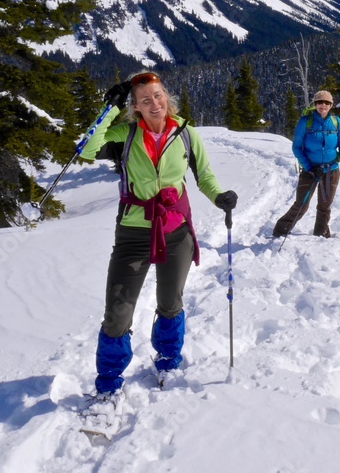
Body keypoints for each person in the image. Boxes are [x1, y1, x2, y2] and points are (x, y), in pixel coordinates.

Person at [79, 71, 237, 404]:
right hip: (134, 232)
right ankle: (108, 383)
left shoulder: (185, 134)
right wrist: (110, 107)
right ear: (135, 107)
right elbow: (88, 149)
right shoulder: (124, 134)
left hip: (176, 230)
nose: (155, 103)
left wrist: (219, 196)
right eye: (146, 99)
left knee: (170, 301)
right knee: (118, 311)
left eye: (159, 95)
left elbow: (204, 175)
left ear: (168, 97)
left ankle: (167, 359)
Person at [273, 89, 340, 238]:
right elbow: (296, 147)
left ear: (331, 105)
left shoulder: (336, 122)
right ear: (315, 104)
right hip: (310, 170)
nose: (323, 105)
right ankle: (280, 230)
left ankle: (321, 234)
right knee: (301, 204)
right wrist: (310, 167)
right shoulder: (305, 122)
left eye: (327, 102)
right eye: (320, 102)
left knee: (325, 206)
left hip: (331, 170)